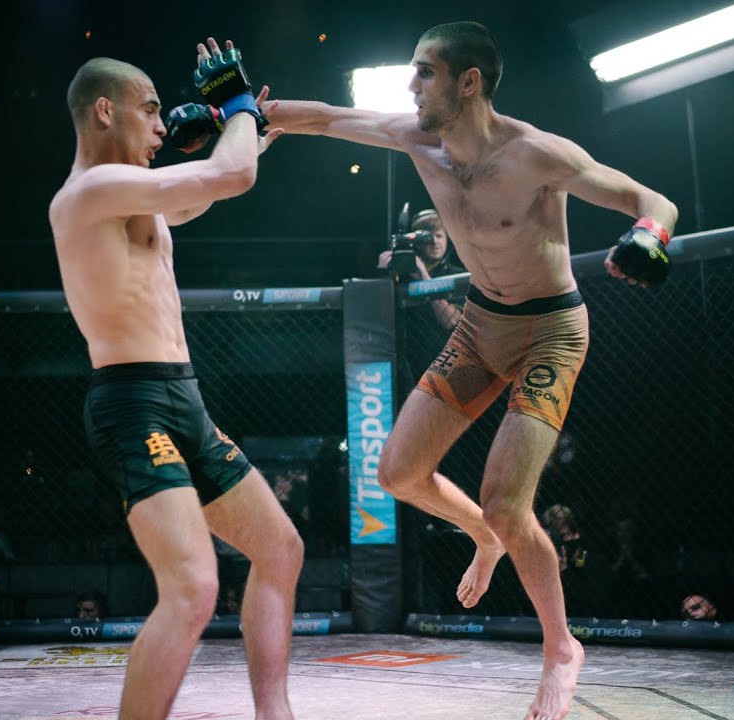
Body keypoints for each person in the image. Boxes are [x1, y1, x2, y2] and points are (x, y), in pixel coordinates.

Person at [267, 20, 678, 719]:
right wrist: (249, 112)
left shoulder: (536, 153)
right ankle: (485, 538)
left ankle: (560, 648)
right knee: (398, 473)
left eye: (424, 71)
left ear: (469, 82)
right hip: (482, 327)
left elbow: (652, 200)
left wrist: (650, 236)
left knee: (507, 502)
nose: (410, 85)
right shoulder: (416, 138)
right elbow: (330, 118)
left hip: (551, 333)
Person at [48, 40, 301, 720]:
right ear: (105, 111)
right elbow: (231, 177)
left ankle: (274, 714)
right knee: (192, 588)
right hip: (133, 405)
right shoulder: (89, 192)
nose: (163, 125)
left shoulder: (133, 197)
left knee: (280, 548)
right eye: (151, 111)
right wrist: (236, 109)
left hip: (183, 398)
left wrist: (243, 132)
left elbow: (201, 194)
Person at [379, 208, 466, 331]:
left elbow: (451, 321)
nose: (434, 242)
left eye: (439, 236)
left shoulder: (458, 276)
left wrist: (425, 278)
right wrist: (383, 272)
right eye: (428, 237)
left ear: (447, 239)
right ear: (417, 242)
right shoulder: (404, 273)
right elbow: (381, 314)